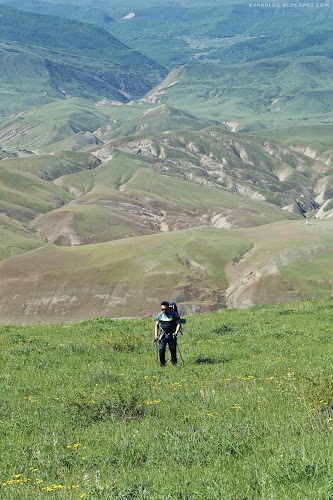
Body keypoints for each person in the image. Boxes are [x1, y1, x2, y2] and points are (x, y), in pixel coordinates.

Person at [155, 301, 181, 366]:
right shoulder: (160, 315)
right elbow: (156, 325)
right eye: (162, 309)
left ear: (168, 308)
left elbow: (178, 323)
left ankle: (174, 363)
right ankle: (162, 364)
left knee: (173, 350)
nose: (163, 311)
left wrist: (176, 333)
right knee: (161, 350)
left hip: (171, 335)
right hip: (163, 335)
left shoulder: (173, 314)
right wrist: (156, 335)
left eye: (165, 309)